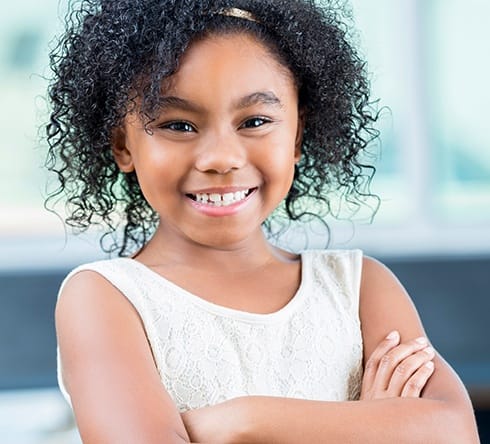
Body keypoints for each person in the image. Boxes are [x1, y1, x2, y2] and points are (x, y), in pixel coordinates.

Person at [46, 0, 479, 442]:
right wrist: (370, 427)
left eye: (254, 121)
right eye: (178, 125)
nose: (221, 158)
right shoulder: (106, 298)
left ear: (296, 136)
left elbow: (453, 430)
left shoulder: (359, 287)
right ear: (123, 146)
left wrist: (243, 422)